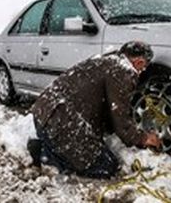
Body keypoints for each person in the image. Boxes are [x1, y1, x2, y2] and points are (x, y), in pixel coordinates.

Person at [28, 41, 162, 179]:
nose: (142, 71)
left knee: (94, 150)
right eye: (143, 67)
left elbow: (107, 108)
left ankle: (51, 145)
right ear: (139, 62)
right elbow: (120, 119)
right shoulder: (122, 72)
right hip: (59, 122)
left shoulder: (107, 60)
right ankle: (44, 152)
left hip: (43, 112)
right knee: (106, 167)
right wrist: (144, 138)